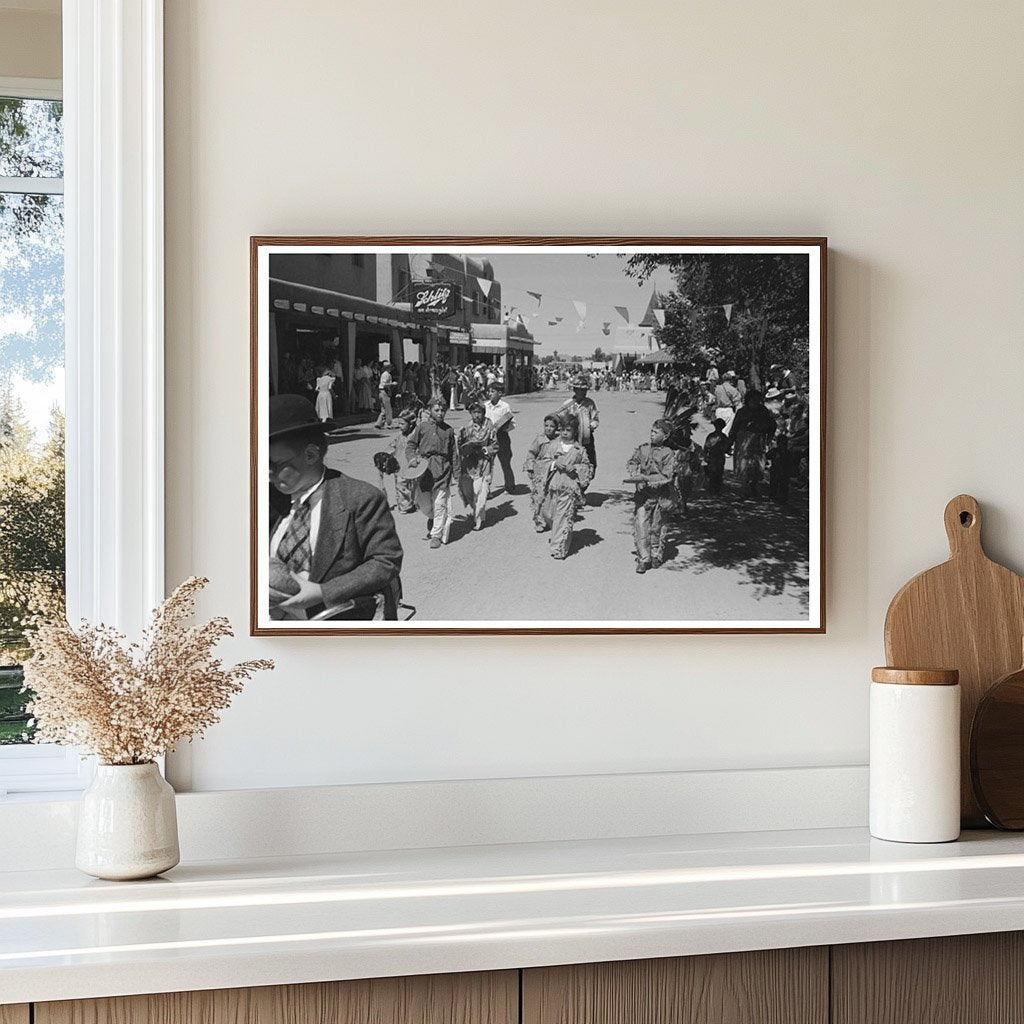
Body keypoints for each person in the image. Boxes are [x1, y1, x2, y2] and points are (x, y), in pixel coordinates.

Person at [268, 394, 403, 620]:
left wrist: (323, 592)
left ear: (311, 454)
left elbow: (385, 561)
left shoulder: (360, 499)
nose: (268, 473)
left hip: (333, 620)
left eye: (276, 464)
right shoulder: (267, 499)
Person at [626, 419, 680, 573]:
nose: (652, 434)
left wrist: (651, 481)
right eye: (651, 431)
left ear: (665, 436)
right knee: (641, 525)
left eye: (656, 432)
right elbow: (632, 462)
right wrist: (636, 476)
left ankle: (656, 554)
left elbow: (668, 474)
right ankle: (644, 558)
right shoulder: (643, 449)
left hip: (661, 496)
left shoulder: (668, 453)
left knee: (657, 526)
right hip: (643, 495)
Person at [537, 413, 592, 560]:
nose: (565, 433)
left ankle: (559, 548)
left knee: (562, 518)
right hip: (553, 486)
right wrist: (554, 464)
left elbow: (587, 467)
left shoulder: (579, 450)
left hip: (569, 488)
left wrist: (575, 467)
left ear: (574, 431)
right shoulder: (553, 445)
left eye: (568, 430)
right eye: (562, 430)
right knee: (549, 514)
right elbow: (542, 462)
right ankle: (558, 534)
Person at [407, 397, 460, 548]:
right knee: (423, 504)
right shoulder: (422, 427)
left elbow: (454, 454)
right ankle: (432, 517)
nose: (440, 413)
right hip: (424, 469)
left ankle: (436, 535)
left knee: (439, 503)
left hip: (443, 469)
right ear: (429, 411)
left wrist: (457, 473)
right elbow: (411, 445)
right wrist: (412, 459)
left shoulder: (448, 430)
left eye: (443, 410)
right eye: (436, 410)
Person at [457, 402, 498, 530]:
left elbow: (495, 445)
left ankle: (479, 519)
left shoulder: (490, 427)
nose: (476, 415)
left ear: (483, 413)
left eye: (479, 412)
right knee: (469, 491)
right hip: (469, 464)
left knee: (481, 491)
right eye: (474, 413)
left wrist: (485, 450)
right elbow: (460, 445)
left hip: (484, 464)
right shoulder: (467, 428)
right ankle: (476, 510)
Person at [730, 388, 777, 498]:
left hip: (758, 442)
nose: (756, 403)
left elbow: (772, 425)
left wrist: (769, 439)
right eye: (753, 400)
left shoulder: (764, 411)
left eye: (758, 400)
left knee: (757, 465)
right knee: (744, 465)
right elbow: (735, 427)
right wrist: (730, 440)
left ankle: (754, 486)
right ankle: (745, 488)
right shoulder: (742, 412)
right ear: (748, 400)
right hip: (744, 442)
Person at [523, 413, 560, 528]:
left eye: (551, 426)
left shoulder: (560, 440)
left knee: (552, 496)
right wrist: (530, 467)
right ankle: (539, 521)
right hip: (540, 473)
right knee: (539, 496)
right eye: (546, 425)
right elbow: (531, 453)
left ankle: (551, 518)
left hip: (554, 472)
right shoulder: (540, 439)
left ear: (557, 427)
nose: (548, 428)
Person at [558, 374, 600, 472]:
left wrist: (592, 424)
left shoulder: (590, 403)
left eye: (584, 390)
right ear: (575, 390)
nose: (583, 392)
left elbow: (595, 418)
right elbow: (560, 420)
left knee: (591, 463)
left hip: (587, 439)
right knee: (572, 462)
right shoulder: (567, 404)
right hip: (570, 440)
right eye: (580, 390)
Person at [483, 381, 517, 494]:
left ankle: (510, 486)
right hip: (488, 439)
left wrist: (504, 428)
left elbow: (512, 423)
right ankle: (486, 490)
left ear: (500, 393)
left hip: (502, 437)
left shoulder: (504, 406)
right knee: (488, 464)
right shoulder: (485, 405)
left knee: (505, 462)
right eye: (489, 391)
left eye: (493, 391)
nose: (490, 393)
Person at [384, 408, 419, 513]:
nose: (400, 426)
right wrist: (386, 455)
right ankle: (404, 506)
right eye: (399, 423)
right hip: (399, 465)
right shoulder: (399, 436)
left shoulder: (416, 435)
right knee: (401, 485)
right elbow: (392, 446)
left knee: (414, 485)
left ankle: (413, 503)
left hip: (413, 464)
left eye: (402, 424)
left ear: (411, 424)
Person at [703, 417, 730, 496]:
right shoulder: (719, 436)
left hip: (718, 457)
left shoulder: (719, 437)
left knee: (718, 473)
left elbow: (706, 447)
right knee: (714, 474)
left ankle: (716, 490)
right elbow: (706, 447)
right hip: (714, 457)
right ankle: (713, 490)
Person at [713, 370, 743, 435]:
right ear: (730, 379)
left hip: (719, 410)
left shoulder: (717, 389)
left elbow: (716, 400)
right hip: (728, 410)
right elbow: (738, 401)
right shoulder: (733, 389)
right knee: (726, 431)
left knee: (719, 429)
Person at [375, 362, 395, 429]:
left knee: (384, 409)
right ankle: (388, 424)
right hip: (384, 392)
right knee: (387, 408)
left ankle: (379, 423)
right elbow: (384, 384)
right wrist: (392, 384)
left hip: (383, 392)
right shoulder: (386, 374)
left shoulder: (386, 374)